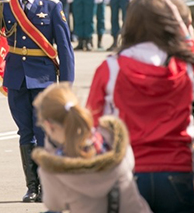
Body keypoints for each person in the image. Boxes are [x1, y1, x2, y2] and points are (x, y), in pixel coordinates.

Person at [87, 0, 194, 213]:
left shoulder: (111, 68)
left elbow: (93, 124)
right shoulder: (185, 67)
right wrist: (185, 33)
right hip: (177, 169)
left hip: (129, 171)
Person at [0, 0, 75, 202]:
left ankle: (47, 185)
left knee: (43, 132)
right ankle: (32, 185)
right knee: (25, 132)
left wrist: (67, 87)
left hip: (44, 79)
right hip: (16, 78)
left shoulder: (52, 6)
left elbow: (65, 49)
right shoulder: (5, 7)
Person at [31, 83, 152, 213]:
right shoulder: (112, 139)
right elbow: (131, 164)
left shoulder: (54, 170)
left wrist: (50, 149)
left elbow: (53, 204)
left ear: (49, 125)